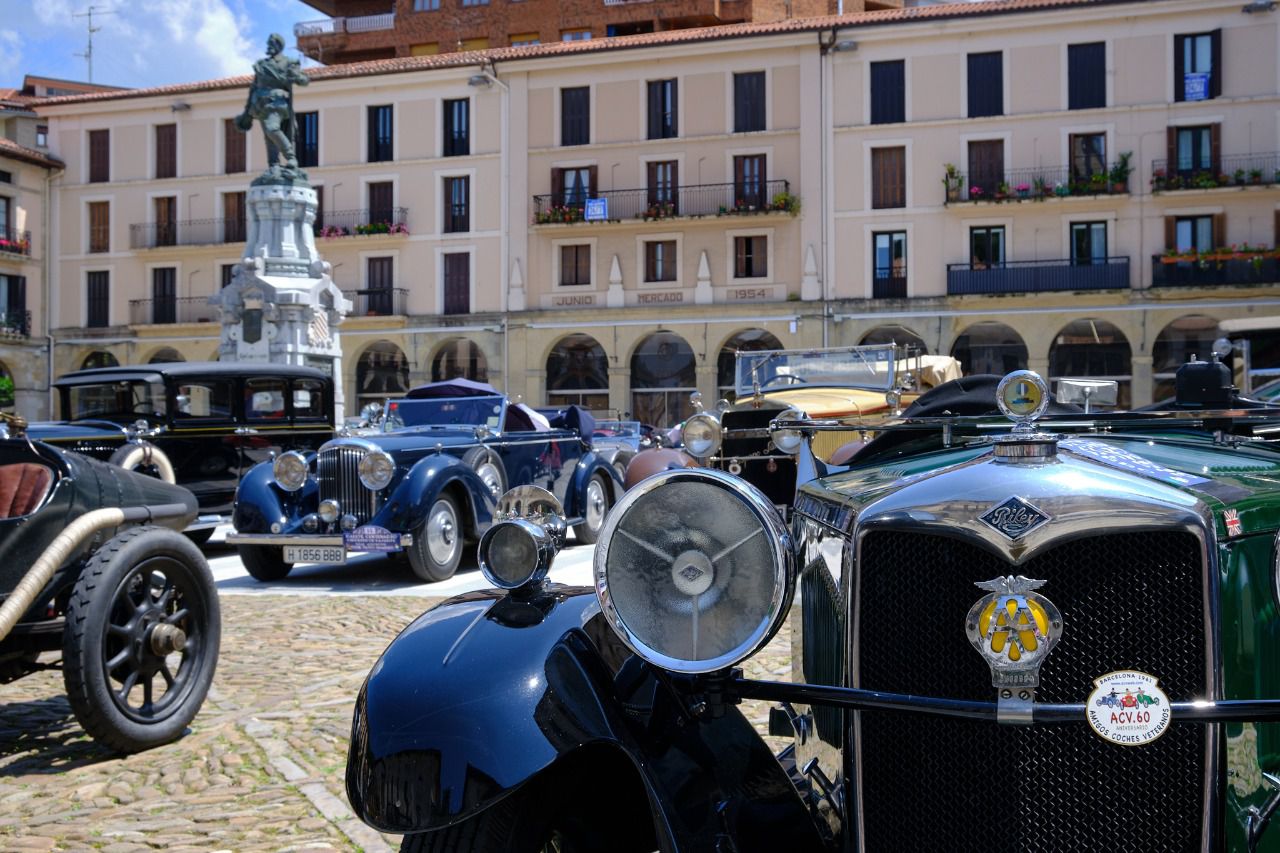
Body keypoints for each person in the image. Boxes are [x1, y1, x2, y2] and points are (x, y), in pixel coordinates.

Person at [235, 33, 309, 175]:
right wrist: (247, 112)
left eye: (272, 43)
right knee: (268, 137)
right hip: (260, 104)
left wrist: (296, 76)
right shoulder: (261, 65)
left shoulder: (288, 62)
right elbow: (253, 88)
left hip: (278, 102)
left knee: (272, 128)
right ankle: (273, 165)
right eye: (268, 43)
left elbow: (304, 80)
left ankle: (291, 157)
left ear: (279, 45)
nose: (269, 46)